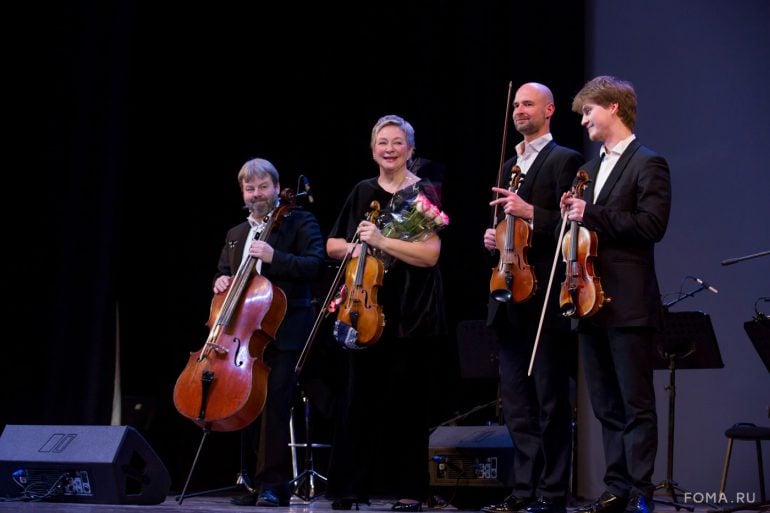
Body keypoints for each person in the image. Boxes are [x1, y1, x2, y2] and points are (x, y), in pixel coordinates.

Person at [325, 114, 447, 512]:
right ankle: (350, 487)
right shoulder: (362, 190)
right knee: (358, 401)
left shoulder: (423, 192)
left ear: (410, 150)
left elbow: (430, 255)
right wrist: (355, 248)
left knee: (409, 406)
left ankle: (410, 489)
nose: (390, 149)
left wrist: (381, 240)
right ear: (373, 149)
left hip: (413, 311)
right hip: (365, 309)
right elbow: (331, 245)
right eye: (383, 143)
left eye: (397, 143)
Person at [562, 76, 671, 513]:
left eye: (589, 111)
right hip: (587, 300)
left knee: (635, 402)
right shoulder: (586, 171)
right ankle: (615, 487)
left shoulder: (649, 163)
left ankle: (641, 490)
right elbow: (579, 231)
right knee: (606, 404)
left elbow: (651, 226)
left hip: (627, 303)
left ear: (613, 108)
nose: (584, 119)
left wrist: (592, 213)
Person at [481, 82, 584, 513]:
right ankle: (523, 491)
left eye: (529, 104)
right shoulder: (509, 164)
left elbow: (571, 228)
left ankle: (552, 493)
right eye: (517, 105)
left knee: (549, 400)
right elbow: (512, 230)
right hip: (507, 293)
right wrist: (497, 237)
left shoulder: (566, 160)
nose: (520, 110)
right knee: (518, 407)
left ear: (550, 110)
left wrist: (530, 214)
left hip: (543, 294)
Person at [218, 158, 325, 507]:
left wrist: (274, 256)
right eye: (250, 188)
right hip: (247, 334)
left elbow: (315, 264)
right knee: (246, 401)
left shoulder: (298, 221)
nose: (257, 194)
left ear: (277, 189)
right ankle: (252, 481)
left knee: (274, 403)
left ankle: (274, 485)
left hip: (288, 330)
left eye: (264, 187)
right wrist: (219, 280)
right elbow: (224, 272)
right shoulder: (236, 234)